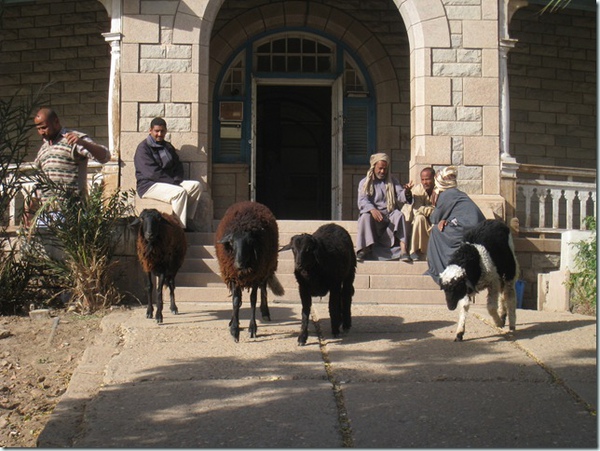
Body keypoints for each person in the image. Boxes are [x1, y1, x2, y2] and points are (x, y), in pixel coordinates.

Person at [134, 117, 202, 230]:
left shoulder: (167, 146)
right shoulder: (143, 149)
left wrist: (177, 179)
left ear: (165, 131)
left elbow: (178, 165)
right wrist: (173, 182)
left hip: (170, 182)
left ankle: (186, 220)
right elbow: (152, 173)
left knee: (196, 186)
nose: (159, 134)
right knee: (179, 192)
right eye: (156, 131)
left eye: (162, 131)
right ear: (150, 130)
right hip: (149, 185)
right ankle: (179, 228)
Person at [33, 107, 111, 202]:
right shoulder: (43, 149)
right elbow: (38, 183)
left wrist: (83, 143)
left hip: (71, 210)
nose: (41, 132)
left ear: (56, 122)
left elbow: (105, 156)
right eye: (38, 129)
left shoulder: (73, 139)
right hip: (46, 211)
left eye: (44, 128)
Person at [425, 165, 486, 285]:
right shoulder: (457, 193)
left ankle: (438, 269)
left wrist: (434, 204)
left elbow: (434, 218)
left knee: (436, 232)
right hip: (473, 227)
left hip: (464, 228)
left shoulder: (446, 195)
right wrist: (446, 219)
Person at [356, 152, 413, 262]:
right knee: (365, 216)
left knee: (399, 214)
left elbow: (400, 196)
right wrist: (372, 209)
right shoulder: (365, 182)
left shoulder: (392, 181)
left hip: (389, 216)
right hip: (374, 218)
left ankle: (403, 250)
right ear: (373, 167)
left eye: (385, 169)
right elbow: (362, 200)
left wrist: (407, 192)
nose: (382, 171)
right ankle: (365, 248)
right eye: (380, 168)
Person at [401, 167, 436, 261]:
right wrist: (432, 210)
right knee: (419, 218)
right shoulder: (417, 190)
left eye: (427, 179)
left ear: (434, 178)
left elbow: (442, 209)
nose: (425, 182)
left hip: (436, 221)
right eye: (423, 179)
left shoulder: (439, 190)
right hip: (422, 221)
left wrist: (430, 211)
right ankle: (414, 250)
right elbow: (418, 210)